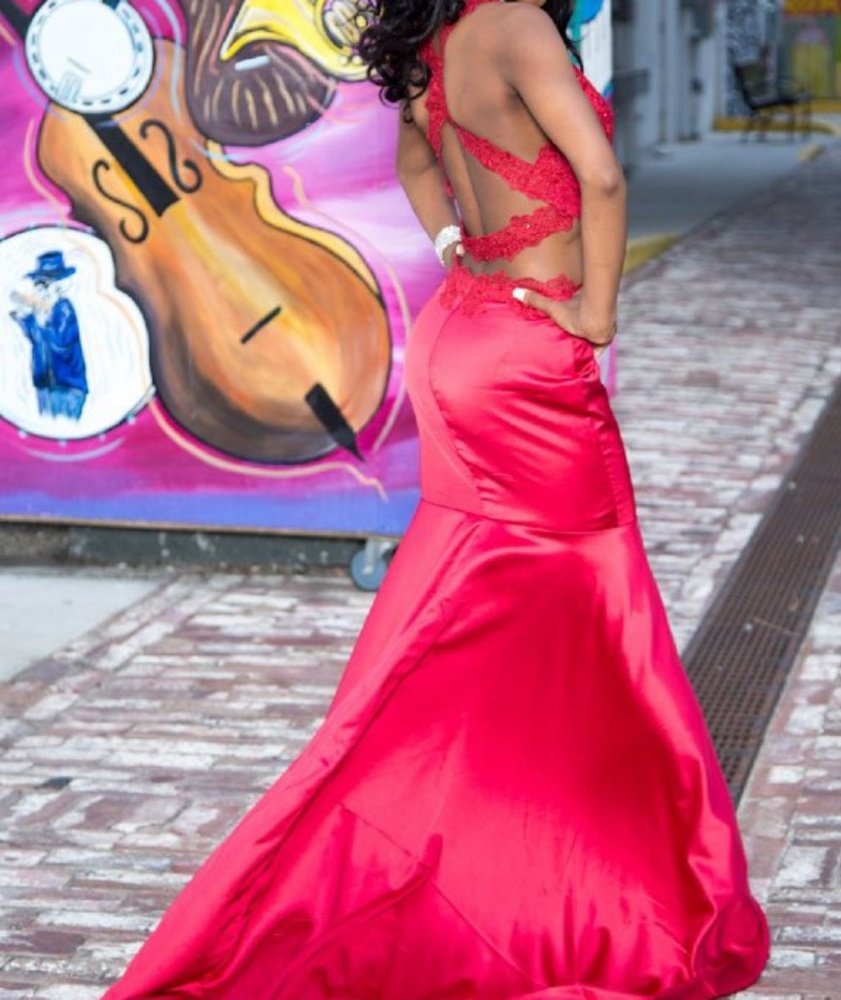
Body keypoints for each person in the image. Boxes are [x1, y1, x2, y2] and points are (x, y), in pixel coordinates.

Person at [100, 2, 770, 997]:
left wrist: (457, 245)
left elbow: (419, 159)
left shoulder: (437, 38)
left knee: (497, 617)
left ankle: (523, 863)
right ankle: (584, 883)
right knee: (592, 609)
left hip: (460, 336)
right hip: (529, 363)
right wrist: (594, 308)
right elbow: (600, 176)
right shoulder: (516, 29)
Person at [10, 251, 87, 420]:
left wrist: (41, 319)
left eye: (45, 285)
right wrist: (26, 319)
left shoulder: (63, 309)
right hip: (45, 381)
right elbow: (37, 339)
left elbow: (60, 341)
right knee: (46, 418)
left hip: (68, 384)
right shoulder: (43, 311)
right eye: (38, 285)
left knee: (65, 424)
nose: (41, 290)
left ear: (59, 286)